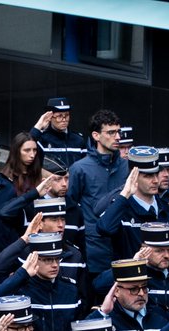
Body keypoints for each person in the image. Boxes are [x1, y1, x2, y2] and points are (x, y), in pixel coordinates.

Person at [68, 109, 127, 274]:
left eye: (118, 132)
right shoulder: (80, 169)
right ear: (96, 135)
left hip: (123, 244)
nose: (117, 137)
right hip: (93, 247)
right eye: (111, 132)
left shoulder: (126, 166)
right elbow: (70, 206)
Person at [2, 131, 43, 197]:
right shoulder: (5, 177)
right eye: (27, 150)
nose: (32, 155)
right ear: (17, 151)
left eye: (34, 150)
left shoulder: (38, 174)